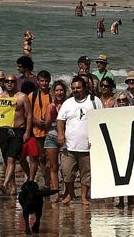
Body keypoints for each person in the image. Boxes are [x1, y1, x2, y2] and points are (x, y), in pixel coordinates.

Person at [56, 75, 101, 205]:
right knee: (67, 172)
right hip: (69, 146)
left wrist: (97, 138)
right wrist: (60, 134)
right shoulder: (68, 103)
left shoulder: (94, 101)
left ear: (85, 88)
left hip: (88, 145)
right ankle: (70, 194)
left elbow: (101, 119)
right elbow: (60, 120)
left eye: (79, 87)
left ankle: (84, 197)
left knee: (86, 174)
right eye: (74, 88)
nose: (76, 90)